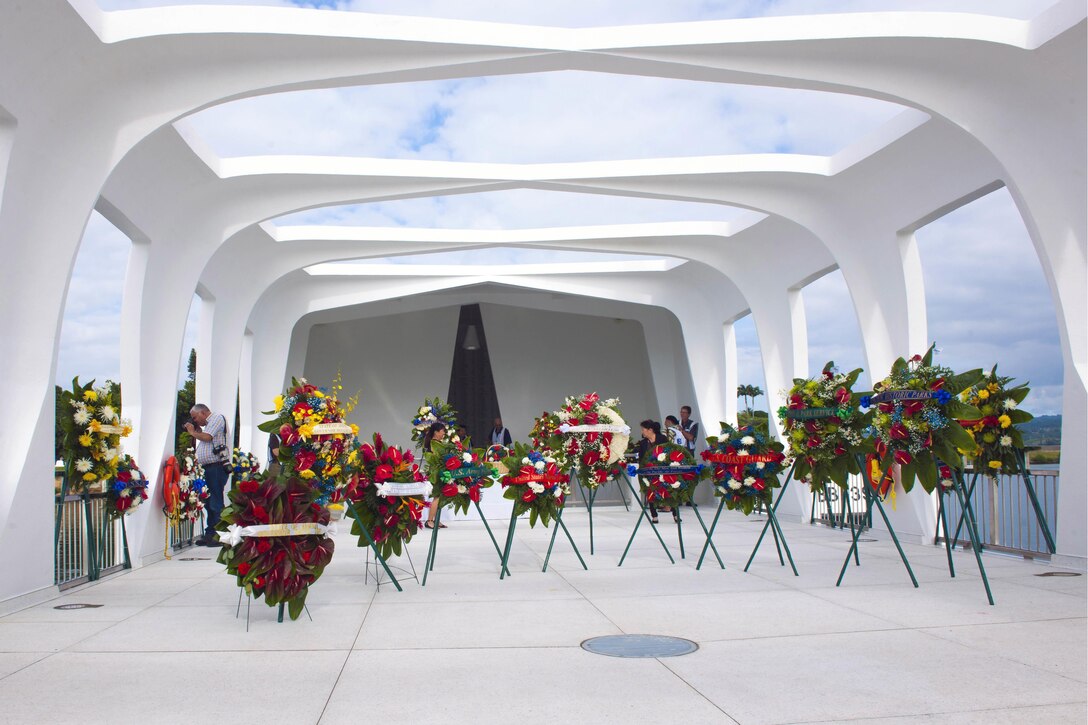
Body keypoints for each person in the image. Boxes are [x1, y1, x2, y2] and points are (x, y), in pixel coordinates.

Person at [185, 403, 230, 547]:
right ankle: (210, 533)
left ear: (203, 412)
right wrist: (196, 432)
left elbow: (208, 437)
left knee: (215, 501)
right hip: (208, 468)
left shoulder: (216, 418)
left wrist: (193, 432)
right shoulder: (208, 424)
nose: (195, 420)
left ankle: (219, 535)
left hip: (216, 467)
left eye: (195, 417)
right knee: (209, 502)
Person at [635, 419, 677, 524]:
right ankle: (654, 516)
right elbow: (642, 458)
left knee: (669, 491)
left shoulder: (662, 438)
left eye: (643, 429)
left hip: (663, 469)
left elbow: (669, 452)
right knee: (651, 492)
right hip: (650, 471)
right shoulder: (643, 443)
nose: (642, 432)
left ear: (650, 430)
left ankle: (675, 514)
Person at [422, 421, 448, 529]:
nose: (443, 434)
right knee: (436, 497)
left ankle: (436, 520)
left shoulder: (438, 442)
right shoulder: (434, 443)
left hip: (439, 472)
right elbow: (437, 459)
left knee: (440, 497)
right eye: (442, 431)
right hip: (435, 473)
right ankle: (429, 521)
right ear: (436, 432)